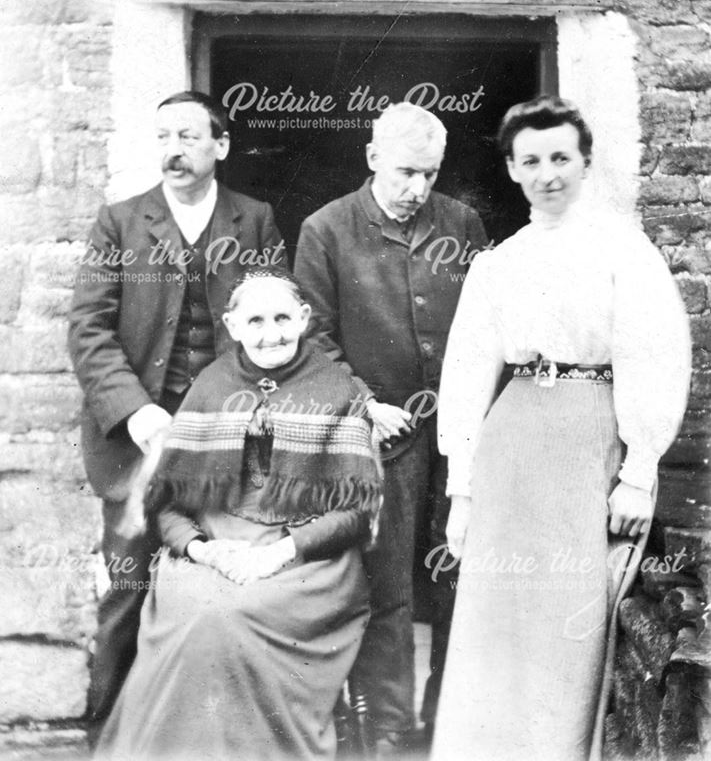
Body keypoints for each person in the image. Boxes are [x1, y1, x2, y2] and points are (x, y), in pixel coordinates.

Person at [434, 95, 691, 761]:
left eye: (559, 158)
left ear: (583, 162)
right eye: (530, 161)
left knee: (567, 610)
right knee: (498, 608)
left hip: (588, 430)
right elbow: (465, 375)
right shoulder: (499, 262)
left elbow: (653, 355)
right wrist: (462, 492)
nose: (546, 173)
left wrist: (638, 471)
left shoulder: (622, 253)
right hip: (513, 436)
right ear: (512, 170)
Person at [67, 91, 285, 743]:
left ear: (220, 145)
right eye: (163, 135)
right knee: (127, 592)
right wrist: (137, 414)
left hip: (228, 440)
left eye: (189, 136)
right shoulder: (121, 224)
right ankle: (106, 737)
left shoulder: (255, 222)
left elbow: (278, 329)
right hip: (138, 446)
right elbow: (89, 331)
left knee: (227, 594)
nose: (173, 150)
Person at [95, 270, 382, 761]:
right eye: (256, 320)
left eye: (282, 318)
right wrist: (202, 549)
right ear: (232, 325)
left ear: (305, 319)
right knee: (198, 614)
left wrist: (278, 554)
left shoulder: (337, 390)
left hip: (307, 556)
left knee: (233, 616)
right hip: (211, 547)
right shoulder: (212, 386)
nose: (271, 333)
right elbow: (166, 504)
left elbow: (355, 512)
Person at [294, 102, 489, 752]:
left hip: (461, 428)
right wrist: (361, 405)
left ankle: (449, 717)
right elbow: (310, 340)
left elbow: (489, 323)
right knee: (387, 584)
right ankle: (386, 729)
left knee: (459, 570)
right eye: (406, 172)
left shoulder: (461, 222)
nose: (419, 189)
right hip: (383, 430)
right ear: (373, 158)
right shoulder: (326, 230)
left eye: (431, 175)